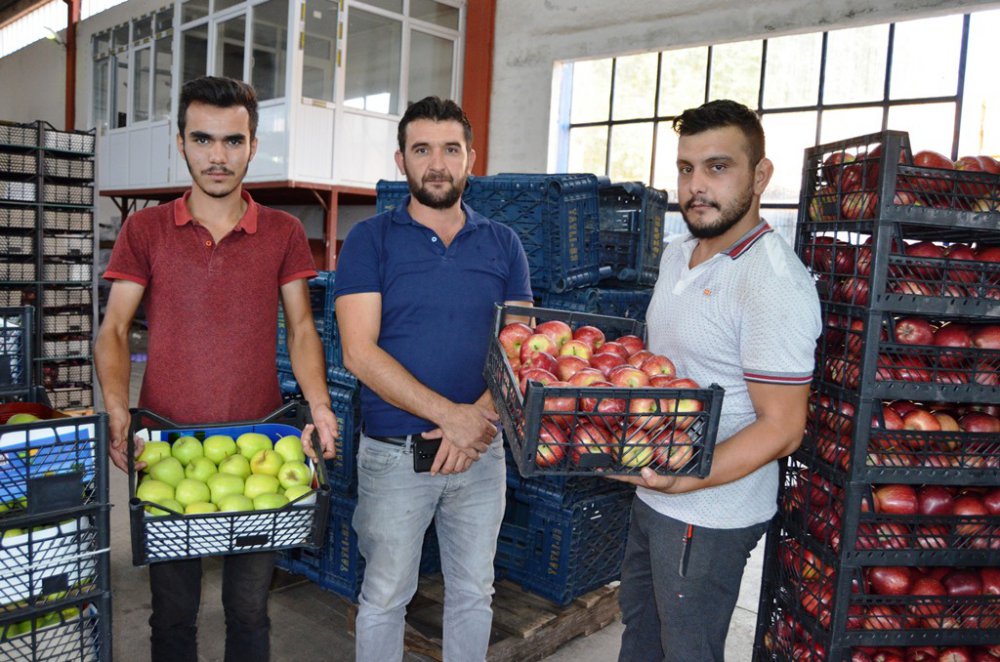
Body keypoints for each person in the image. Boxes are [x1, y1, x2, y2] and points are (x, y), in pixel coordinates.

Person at [94, 75, 338, 662]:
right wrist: (118, 408)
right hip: (165, 447)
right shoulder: (145, 229)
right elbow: (115, 329)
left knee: (250, 610)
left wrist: (321, 405)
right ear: (181, 142)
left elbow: (302, 329)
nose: (218, 156)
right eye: (202, 139)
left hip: (260, 443)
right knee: (173, 614)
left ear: (253, 146)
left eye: (233, 141)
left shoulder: (281, 232)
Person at [613, 99, 822, 661]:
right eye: (686, 168)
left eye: (718, 167)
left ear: (760, 175)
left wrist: (688, 481)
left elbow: (783, 428)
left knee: (687, 649)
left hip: (708, 514)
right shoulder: (678, 254)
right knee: (640, 637)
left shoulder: (772, 282)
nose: (696, 186)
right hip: (655, 490)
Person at [332, 96, 532, 662]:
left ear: (472, 159)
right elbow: (358, 352)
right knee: (385, 596)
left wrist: (473, 425)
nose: (437, 164)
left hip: (481, 451)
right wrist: (452, 418)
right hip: (396, 455)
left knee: (474, 593)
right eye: (422, 150)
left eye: (450, 149)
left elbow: (521, 351)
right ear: (402, 160)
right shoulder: (370, 240)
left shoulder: (504, 243)